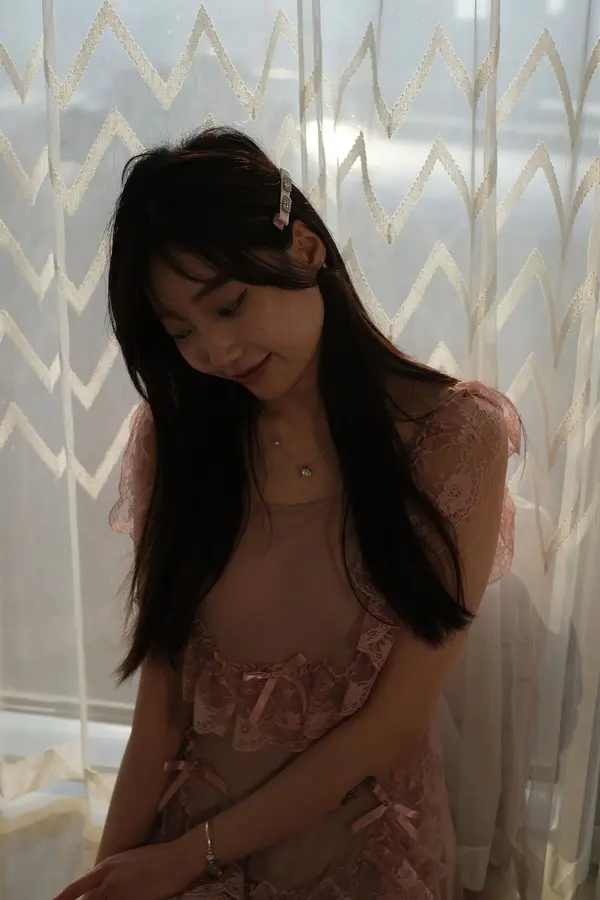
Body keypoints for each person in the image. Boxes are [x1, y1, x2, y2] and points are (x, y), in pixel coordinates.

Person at [54, 126, 520, 900]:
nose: (215, 351)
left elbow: (391, 726)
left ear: (306, 249)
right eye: (181, 332)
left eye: (229, 305)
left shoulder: (455, 439)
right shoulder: (177, 441)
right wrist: (108, 878)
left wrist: (185, 860)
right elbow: (161, 712)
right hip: (188, 848)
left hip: (367, 863)